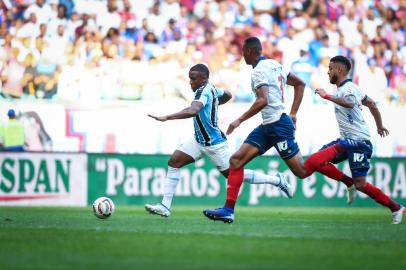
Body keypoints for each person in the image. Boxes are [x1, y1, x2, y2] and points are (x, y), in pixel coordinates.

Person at [202, 37, 356, 224]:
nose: (242, 54)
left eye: (244, 51)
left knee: (301, 171)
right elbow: (300, 84)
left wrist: (239, 120)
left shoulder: (258, 71)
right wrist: (293, 113)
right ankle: (228, 210)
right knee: (235, 161)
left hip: (279, 127)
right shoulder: (274, 65)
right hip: (270, 125)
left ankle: (343, 158)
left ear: (252, 51)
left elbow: (263, 100)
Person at [144, 63, 292, 218]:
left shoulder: (203, 91)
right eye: (190, 78)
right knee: (174, 162)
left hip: (215, 144)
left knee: (233, 174)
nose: (190, 82)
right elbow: (227, 94)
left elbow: (193, 110)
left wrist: (167, 117)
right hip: (198, 140)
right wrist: (214, 103)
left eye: (193, 79)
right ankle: (165, 206)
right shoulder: (211, 89)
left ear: (203, 79)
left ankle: (276, 180)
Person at [307, 55, 404, 224]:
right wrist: (379, 126)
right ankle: (348, 182)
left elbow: (350, 103)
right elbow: (372, 104)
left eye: (330, 68)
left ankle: (396, 208)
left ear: (339, 70)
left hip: (359, 142)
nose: (328, 72)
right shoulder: (351, 87)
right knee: (317, 161)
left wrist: (327, 96)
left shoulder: (348, 89)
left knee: (361, 184)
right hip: (346, 140)